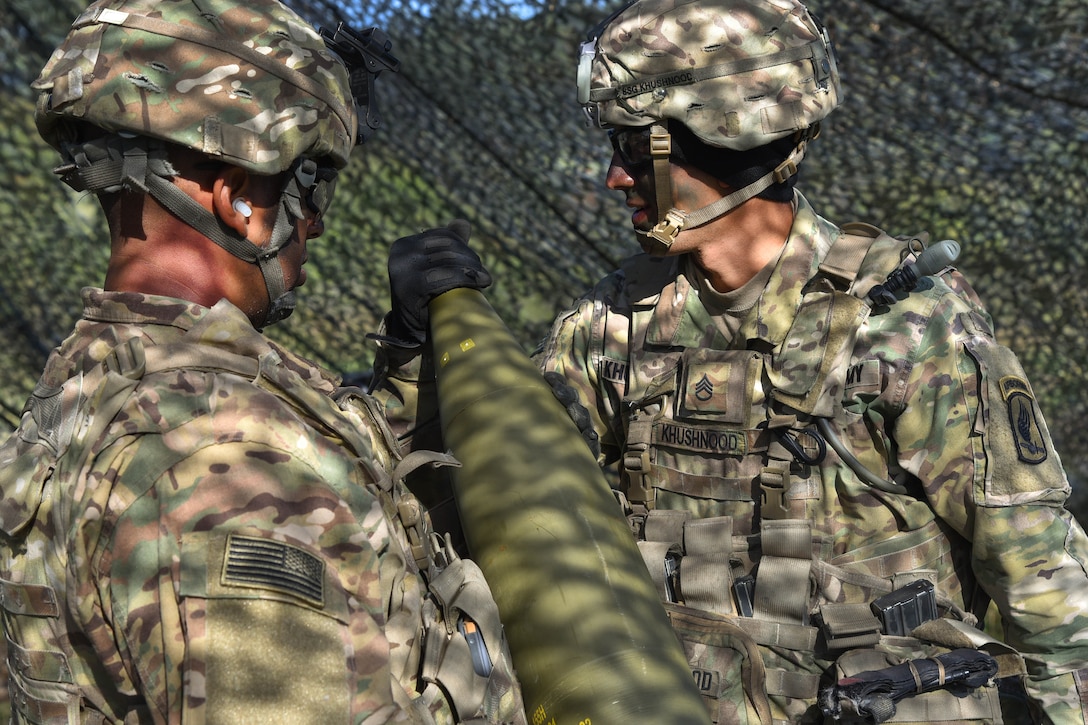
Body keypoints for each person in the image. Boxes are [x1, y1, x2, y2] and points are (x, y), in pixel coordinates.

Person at [528, 0, 1088, 722]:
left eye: (638, 150)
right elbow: (526, 497)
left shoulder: (905, 320)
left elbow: (1037, 567)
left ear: (724, 135)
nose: (614, 179)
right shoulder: (611, 326)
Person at [0, 1, 524, 722]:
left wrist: (404, 363)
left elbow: (327, 462)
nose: (312, 222)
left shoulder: (101, 379)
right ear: (240, 199)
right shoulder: (221, 463)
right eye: (311, 187)